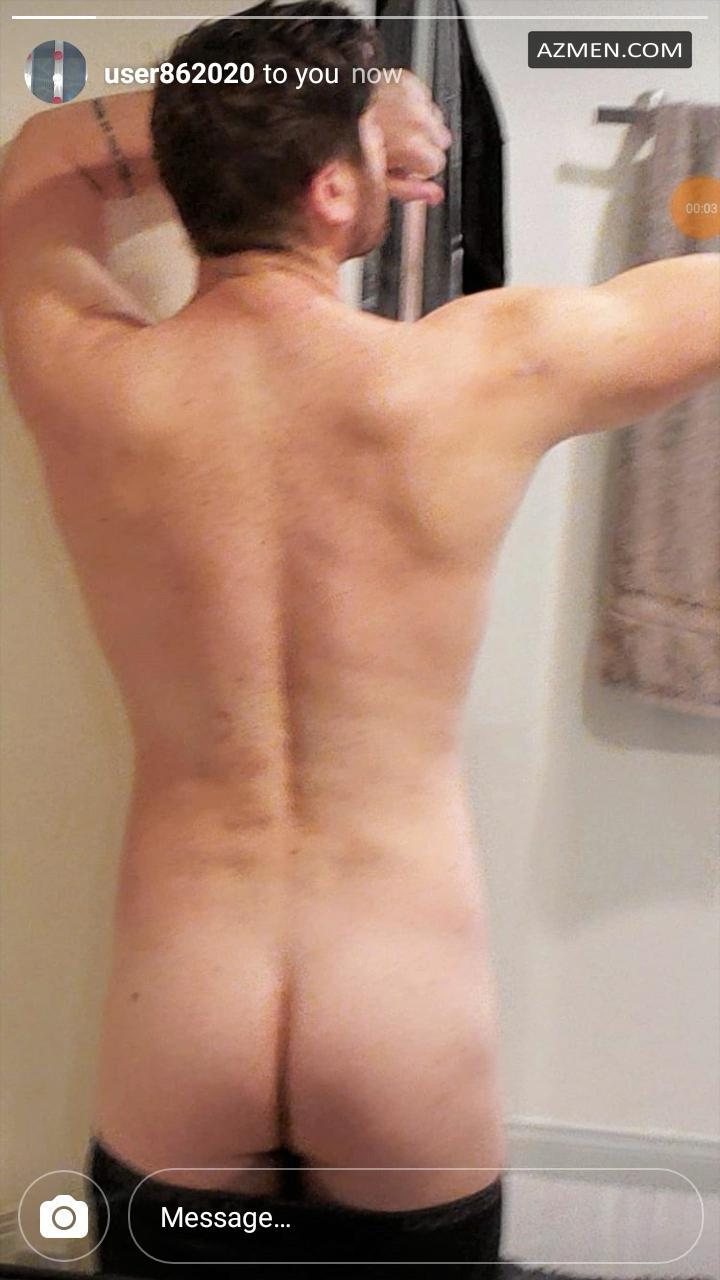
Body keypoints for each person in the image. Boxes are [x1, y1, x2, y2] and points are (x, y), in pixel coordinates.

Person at [0, 3, 718, 1275]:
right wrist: (337, 112)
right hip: (400, 1018)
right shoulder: (479, 372)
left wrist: (275, 118)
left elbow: (39, 155)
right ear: (336, 191)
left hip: (181, 1015)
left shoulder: (88, 380)